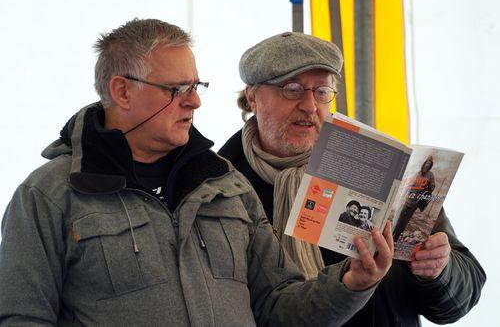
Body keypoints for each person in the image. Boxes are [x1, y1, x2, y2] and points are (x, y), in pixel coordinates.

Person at [0, 19, 394, 326]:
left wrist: (350, 284)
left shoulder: (227, 185)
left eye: (197, 85)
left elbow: (277, 307)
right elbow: (21, 317)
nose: (195, 101)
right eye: (177, 89)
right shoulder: (49, 195)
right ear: (122, 91)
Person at [219, 31, 486, 326]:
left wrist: (440, 271)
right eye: (292, 89)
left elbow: (462, 295)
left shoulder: (376, 165)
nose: (309, 106)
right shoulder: (222, 189)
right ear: (252, 98)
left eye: (321, 91)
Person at [393, 156, 436, 240]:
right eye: (426, 163)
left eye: (429, 164)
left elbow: (432, 186)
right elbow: (410, 184)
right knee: (400, 217)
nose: (427, 165)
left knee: (405, 220)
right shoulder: (418, 173)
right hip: (408, 198)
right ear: (424, 164)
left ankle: (396, 236)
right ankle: (393, 233)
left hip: (416, 202)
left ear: (430, 166)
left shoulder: (431, 175)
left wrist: (429, 188)